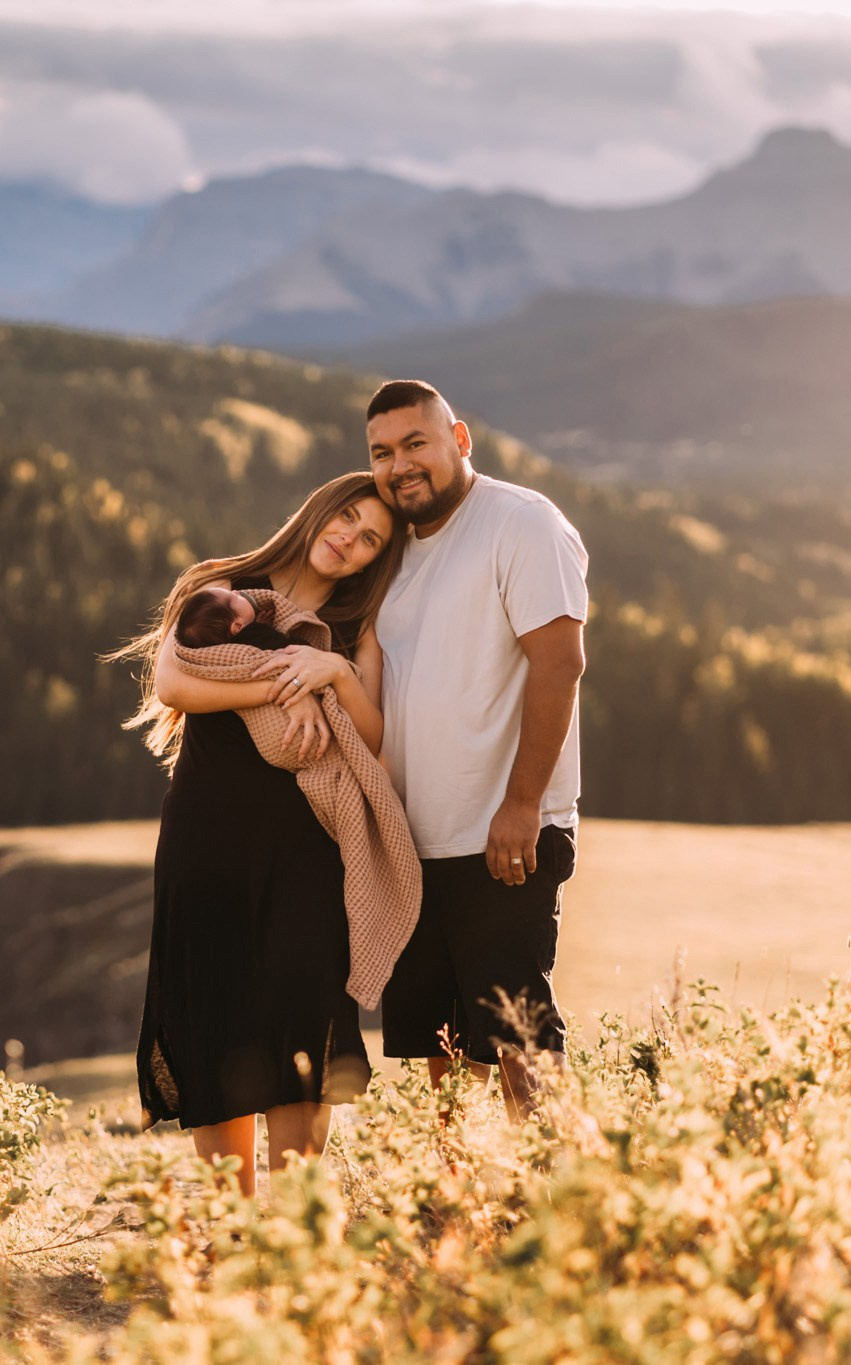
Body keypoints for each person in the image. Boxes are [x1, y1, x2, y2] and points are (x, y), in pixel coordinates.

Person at [115, 472, 402, 1197]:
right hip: (208, 835)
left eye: (371, 539)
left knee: (304, 1012)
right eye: (346, 517)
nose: (350, 540)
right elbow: (175, 686)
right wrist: (284, 687)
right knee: (217, 1010)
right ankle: (231, 1222)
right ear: (319, 507)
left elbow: (373, 737)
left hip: (308, 846)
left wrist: (332, 670)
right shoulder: (221, 585)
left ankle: (297, 1226)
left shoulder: (355, 621)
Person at [366, 379, 588, 1123]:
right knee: (443, 1038)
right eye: (382, 453)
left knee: (517, 1026)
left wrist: (522, 803)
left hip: (504, 833)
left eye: (415, 443)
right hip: (414, 844)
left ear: (459, 441)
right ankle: (458, 1203)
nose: (400, 465)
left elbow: (559, 663)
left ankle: (557, 1195)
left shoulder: (520, 522)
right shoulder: (393, 550)